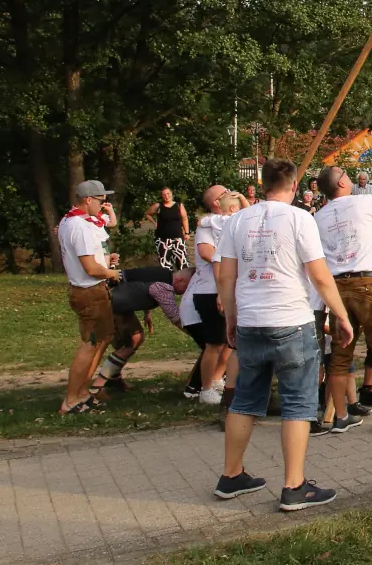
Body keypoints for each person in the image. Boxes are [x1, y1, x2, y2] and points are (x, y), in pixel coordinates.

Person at [214, 159, 355, 512]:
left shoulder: (237, 220)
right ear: (294, 186)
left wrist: (232, 318)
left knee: (244, 400)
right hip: (291, 321)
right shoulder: (299, 219)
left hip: (250, 321)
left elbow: (226, 278)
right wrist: (340, 314)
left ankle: (231, 476)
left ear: (262, 185)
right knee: (297, 403)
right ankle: (294, 485)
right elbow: (320, 276)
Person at [314, 166, 372, 434]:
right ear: (342, 183)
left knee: (340, 353)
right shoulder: (363, 202)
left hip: (337, 288)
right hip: (367, 283)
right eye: (344, 174)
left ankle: (341, 417)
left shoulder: (319, 218)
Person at [57, 180, 123, 415]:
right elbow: (91, 269)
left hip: (90, 290)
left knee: (100, 341)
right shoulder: (80, 227)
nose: (103, 204)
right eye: (100, 200)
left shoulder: (70, 221)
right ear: (87, 200)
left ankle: (82, 393)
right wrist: (112, 272)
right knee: (89, 345)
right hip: (90, 292)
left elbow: (91, 260)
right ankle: (71, 400)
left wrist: (106, 262)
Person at [181, 186, 238, 405]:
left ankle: (216, 379)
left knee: (229, 341)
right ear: (216, 202)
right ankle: (204, 389)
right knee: (214, 342)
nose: (231, 192)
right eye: (225, 192)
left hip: (229, 287)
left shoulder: (231, 221)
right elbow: (207, 253)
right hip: (210, 289)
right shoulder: (207, 226)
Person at [145, 187, 191, 271]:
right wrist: (154, 223)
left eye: (168, 194)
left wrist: (187, 233)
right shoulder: (158, 206)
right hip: (162, 239)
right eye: (164, 195)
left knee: (182, 262)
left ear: (171, 194)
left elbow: (184, 218)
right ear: (162, 196)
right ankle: (167, 282)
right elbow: (147, 214)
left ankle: (184, 282)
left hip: (178, 238)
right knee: (165, 264)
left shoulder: (179, 205)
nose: (167, 196)